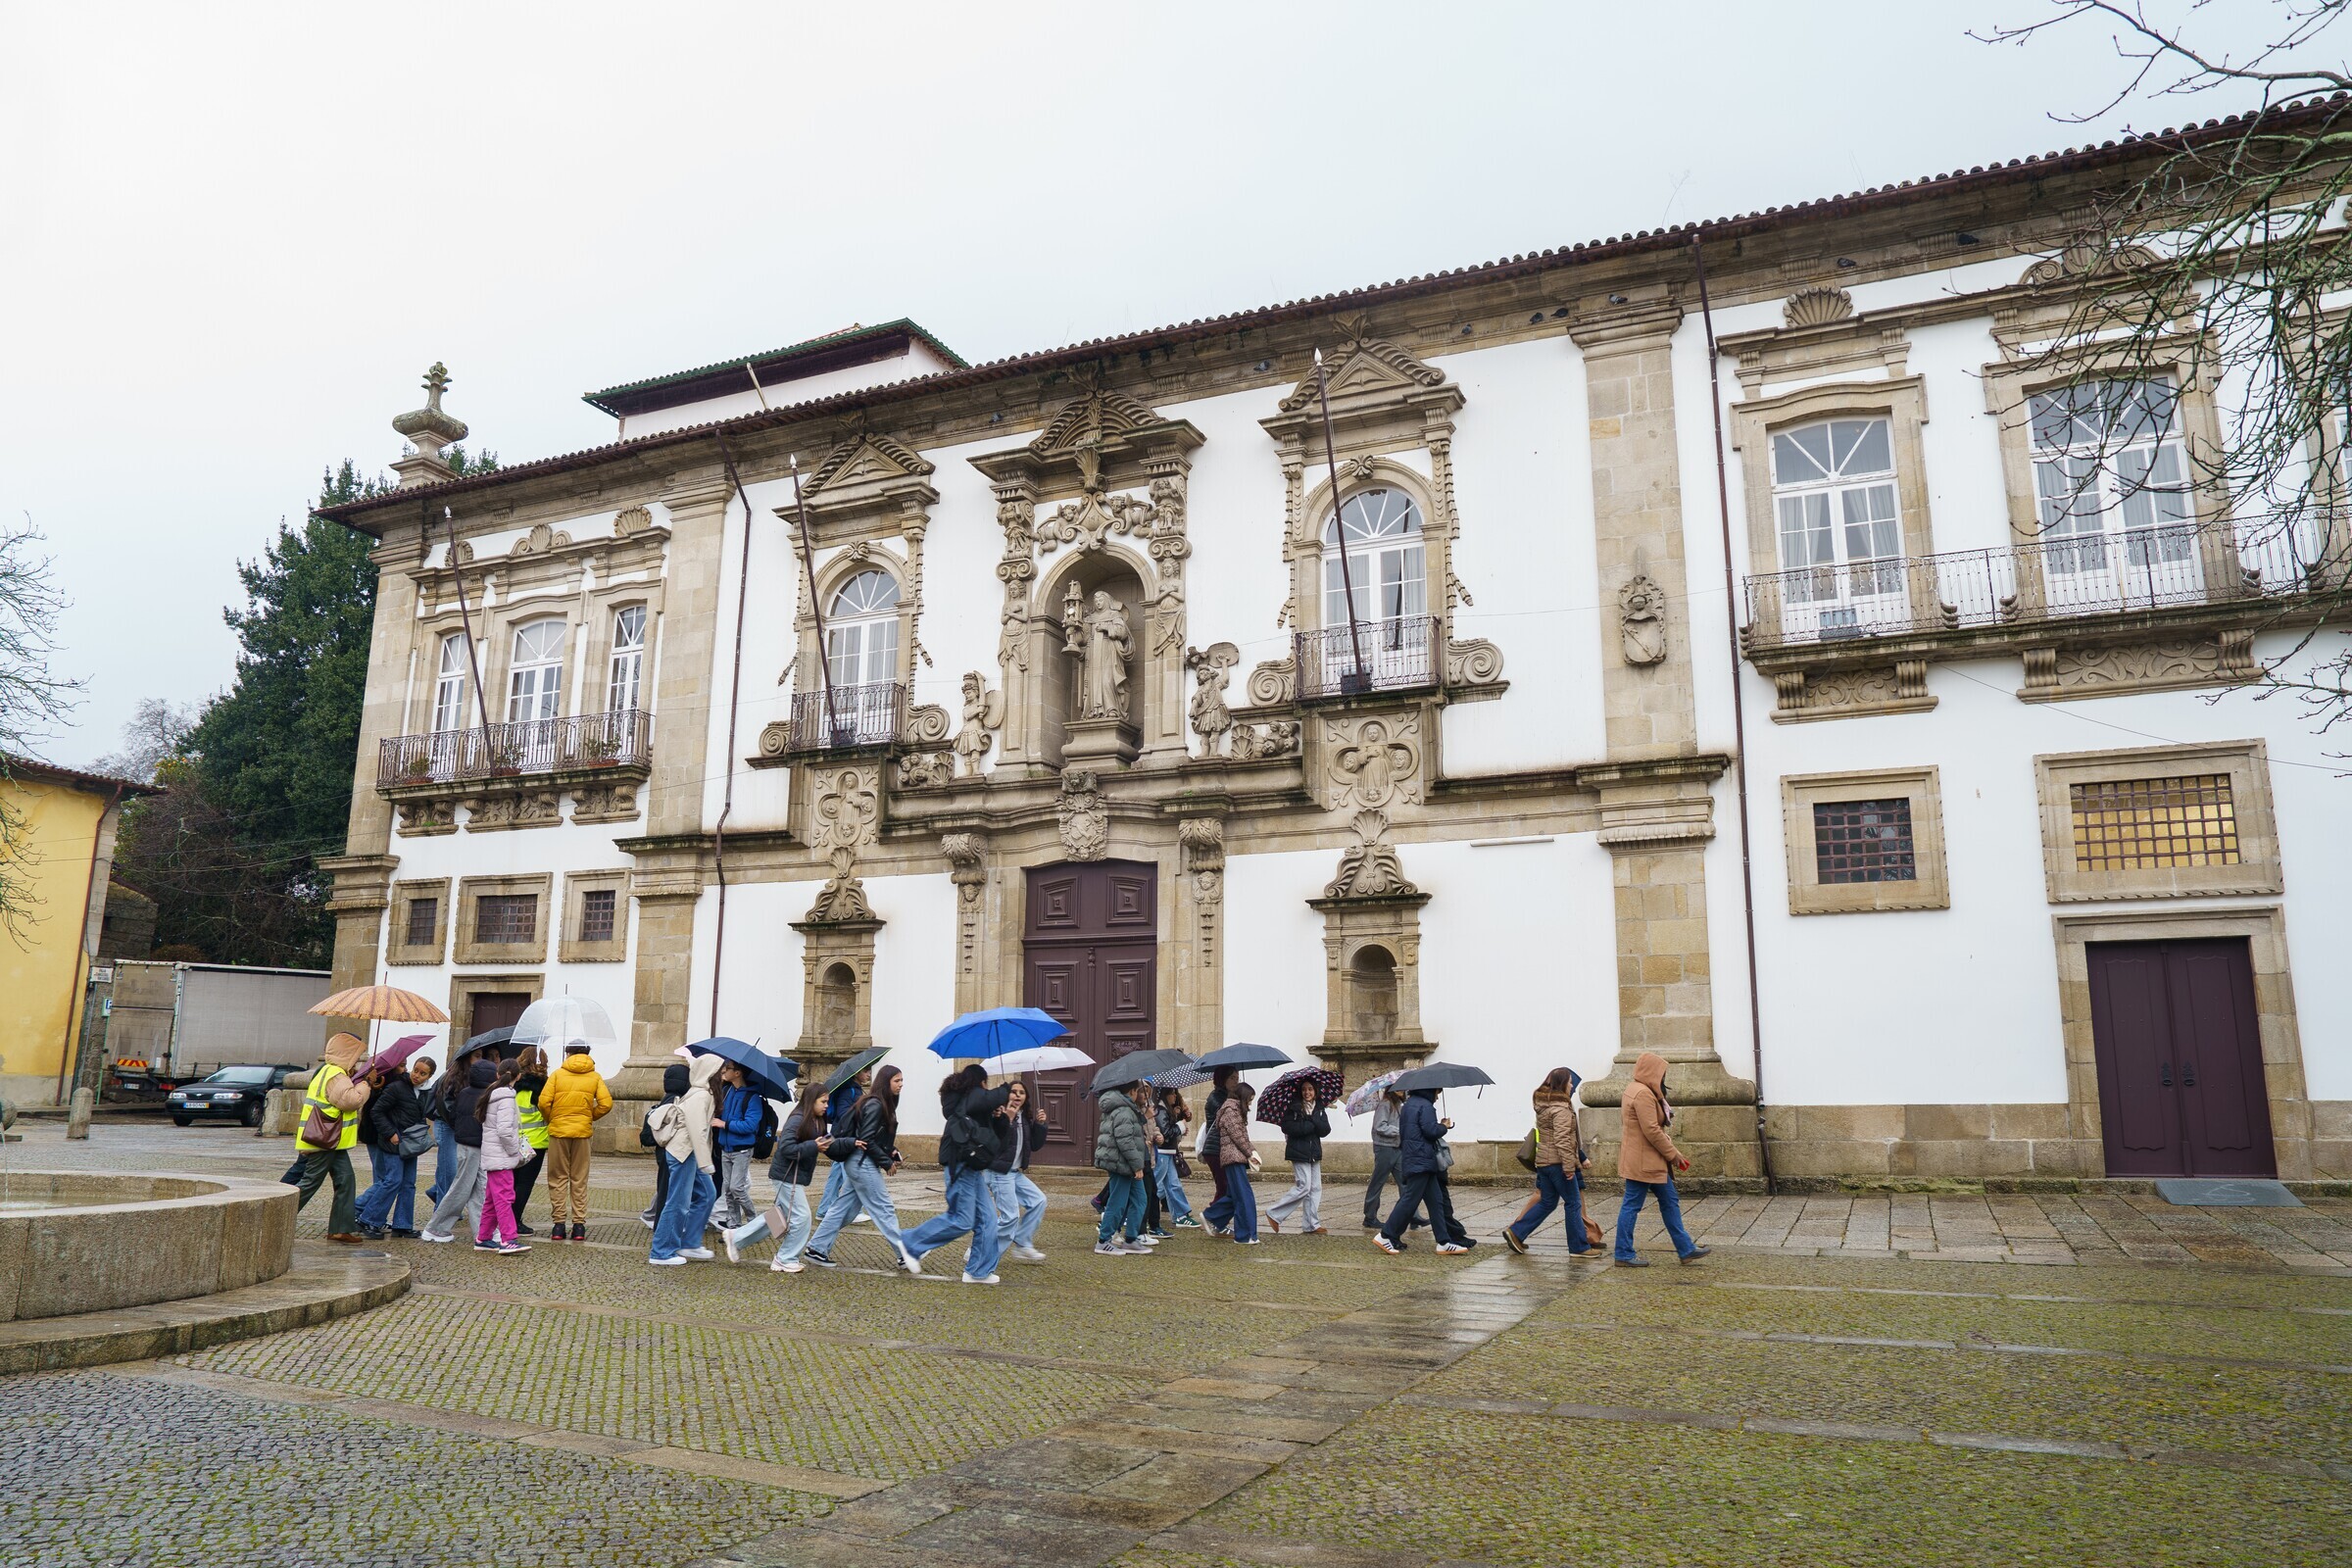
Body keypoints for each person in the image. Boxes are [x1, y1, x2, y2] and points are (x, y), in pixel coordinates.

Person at [805, 1064, 919, 1274]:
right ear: (886, 1083)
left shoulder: (881, 1103)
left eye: (902, 1080)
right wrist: (886, 1162)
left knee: (843, 1209)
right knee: (883, 1208)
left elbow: (876, 1137)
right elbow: (866, 1139)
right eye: (897, 1080)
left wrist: (891, 1151)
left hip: (859, 1161)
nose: (901, 1084)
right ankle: (905, 1254)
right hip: (861, 1162)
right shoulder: (876, 1104)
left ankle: (816, 1248)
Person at [903, 1064, 1011, 1285]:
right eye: (985, 1084)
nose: (986, 1089)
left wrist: (999, 1117)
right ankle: (909, 1242)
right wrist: (1005, 1090)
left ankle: (978, 1271)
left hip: (972, 1168)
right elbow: (982, 1099)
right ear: (979, 1083)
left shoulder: (975, 1104)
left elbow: (995, 1137)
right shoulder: (965, 1099)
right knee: (962, 1220)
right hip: (959, 1166)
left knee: (989, 1220)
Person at [1614, 1052, 1708, 1268]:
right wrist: (1674, 1156)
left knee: (1669, 1201)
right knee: (1631, 1205)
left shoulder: (1636, 1088)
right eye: (1661, 1073)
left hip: (1649, 1160)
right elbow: (1652, 1130)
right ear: (1652, 1072)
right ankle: (1623, 1253)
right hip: (1643, 1162)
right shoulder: (1643, 1094)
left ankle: (1685, 1249)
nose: (1663, 1077)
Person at [721, 1082, 826, 1272]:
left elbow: (822, 1144)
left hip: (791, 1176)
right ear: (811, 1101)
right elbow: (786, 1148)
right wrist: (814, 1146)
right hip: (785, 1176)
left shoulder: (816, 1120)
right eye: (823, 1101)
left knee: (777, 1218)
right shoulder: (797, 1120)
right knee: (802, 1217)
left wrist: (849, 1143)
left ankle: (735, 1237)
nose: (826, 1105)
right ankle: (785, 1258)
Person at [291, 1033, 373, 1243]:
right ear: (347, 1054)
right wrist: (365, 1084)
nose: (358, 1059)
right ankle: (276, 1218)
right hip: (324, 1140)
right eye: (357, 1054)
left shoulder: (331, 1071)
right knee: (310, 1182)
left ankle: (340, 1228)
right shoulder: (335, 1073)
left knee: (346, 1180)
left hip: (332, 1141)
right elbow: (350, 1101)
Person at [1375, 1087, 1474, 1256]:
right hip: (1421, 1159)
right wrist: (1443, 1126)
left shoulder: (1409, 1104)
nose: (1437, 1097)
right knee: (1409, 1200)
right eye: (1437, 1092)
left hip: (1418, 1158)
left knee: (1436, 1201)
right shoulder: (1425, 1106)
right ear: (1430, 1090)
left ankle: (1443, 1242)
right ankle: (1385, 1235)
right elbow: (1430, 1131)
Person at [1504, 1067, 1592, 1256]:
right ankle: (1579, 1247)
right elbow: (1562, 1140)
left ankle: (1516, 1232)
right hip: (1558, 1164)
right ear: (1562, 1084)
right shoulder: (1560, 1109)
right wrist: (1569, 1167)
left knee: (1548, 1202)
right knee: (1573, 1203)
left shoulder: (1544, 1105)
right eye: (1569, 1082)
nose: (1571, 1085)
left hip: (1544, 1163)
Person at [650, 1053, 722, 1265]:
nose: (724, 1073)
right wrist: (706, 1162)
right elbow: (697, 1131)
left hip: (688, 1152)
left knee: (708, 1194)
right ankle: (661, 1252)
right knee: (678, 1202)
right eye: (721, 1070)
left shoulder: (703, 1093)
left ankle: (689, 1243)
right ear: (712, 1073)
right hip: (683, 1152)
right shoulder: (701, 1096)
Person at [539, 1042, 612, 1242]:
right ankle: (579, 1226)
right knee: (579, 1178)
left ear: (568, 1054)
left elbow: (543, 1102)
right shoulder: (595, 1076)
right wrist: (588, 1117)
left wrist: (553, 1117)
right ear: (588, 1053)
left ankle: (558, 1225)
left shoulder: (557, 1075)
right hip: (582, 1132)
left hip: (559, 1132)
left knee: (557, 1178)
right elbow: (606, 1104)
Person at [418, 1055, 496, 1244]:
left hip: (470, 1144)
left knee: (480, 1188)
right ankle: (436, 1228)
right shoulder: (479, 1095)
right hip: (472, 1146)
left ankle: (483, 1232)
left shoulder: (467, 1092)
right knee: (461, 1188)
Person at [357, 1054, 432, 1239]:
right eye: (416, 1070)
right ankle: (368, 1220)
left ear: (428, 1077)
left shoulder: (425, 1092)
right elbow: (377, 1111)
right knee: (392, 1181)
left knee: (408, 1184)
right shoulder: (397, 1087)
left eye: (423, 1074)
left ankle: (402, 1224)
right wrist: (391, 1133)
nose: (417, 1075)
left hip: (410, 1144)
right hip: (392, 1143)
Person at [986, 1078, 1052, 1262]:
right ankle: (984, 1251)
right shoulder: (998, 1113)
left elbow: (1035, 1146)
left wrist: (1040, 1125)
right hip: (1000, 1172)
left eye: (1021, 1093)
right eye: (1014, 1092)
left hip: (1015, 1173)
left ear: (1026, 1097)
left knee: (1038, 1201)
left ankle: (1022, 1242)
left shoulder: (1024, 1116)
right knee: (1010, 1217)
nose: (1017, 1095)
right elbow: (996, 1143)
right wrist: (1006, 1118)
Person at [476, 1057, 530, 1254]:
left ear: (498, 1074)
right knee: (505, 1198)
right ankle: (508, 1239)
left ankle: (483, 1237)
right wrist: (514, 1151)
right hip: (501, 1157)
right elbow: (505, 1131)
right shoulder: (507, 1097)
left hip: (492, 1155)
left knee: (491, 1199)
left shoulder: (492, 1093)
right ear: (518, 1076)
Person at [1264, 1081, 1330, 1235]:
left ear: (1315, 1091)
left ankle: (1311, 1224)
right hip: (1298, 1151)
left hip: (1314, 1152)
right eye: (1304, 1089)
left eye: (1310, 1089)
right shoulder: (1293, 1108)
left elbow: (1325, 1130)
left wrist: (1313, 1121)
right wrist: (1309, 1125)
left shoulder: (1319, 1108)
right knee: (1304, 1186)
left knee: (1315, 1188)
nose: (1307, 1092)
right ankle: (1274, 1213)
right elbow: (1287, 1127)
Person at [811, 1066, 870, 1232]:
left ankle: (823, 1209)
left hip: (838, 1134)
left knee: (836, 1174)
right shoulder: (850, 1090)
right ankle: (853, 1211)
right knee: (849, 1174)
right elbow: (844, 1113)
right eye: (865, 1071)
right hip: (844, 1136)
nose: (868, 1074)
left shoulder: (853, 1089)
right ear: (856, 1073)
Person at [712, 1063, 766, 1230]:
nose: (724, 1071)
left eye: (727, 1068)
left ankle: (754, 1221)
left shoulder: (753, 1098)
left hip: (742, 1150)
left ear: (737, 1073)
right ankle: (734, 1226)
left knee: (737, 1188)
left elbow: (750, 1126)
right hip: (725, 1148)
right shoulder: (727, 1091)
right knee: (727, 1190)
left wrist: (724, 1124)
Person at [640, 1060, 690, 1228]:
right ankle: (663, 1226)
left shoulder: (666, 1099)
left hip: (662, 1151)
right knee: (668, 1191)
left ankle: (662, 1224)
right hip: (671, 1150)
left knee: (664, 1189)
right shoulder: (677, 1101)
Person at [1212, 1081, 1263, 1245]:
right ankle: (1244, 1235)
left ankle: (1212, 1216)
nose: (1249, 1104)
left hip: (1236, 1157)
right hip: (1233, 1157)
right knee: (1244, 1197)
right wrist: (1250, 1154)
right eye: (1249, 1100)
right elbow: (1238, 1137)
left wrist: (1252, 1151)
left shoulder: (1234, 1110)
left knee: (1237, 1196)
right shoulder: (1231, 1111)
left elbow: (1243, 1137)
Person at [508, 1048, 551, 1235]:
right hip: (535, 1142)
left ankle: (506, 1218)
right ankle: (515, 1221)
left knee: (512, 1181)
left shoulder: (512, 1084)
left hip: (514, 1139)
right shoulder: (544, 1087)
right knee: (525, 1183)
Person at [1198, 1068, 1238, 1233]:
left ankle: (1216, 1221)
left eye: (1237, 1078)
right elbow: (1226, 1119)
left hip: (1222, 1148)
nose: (1236, 1081)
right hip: (1215, 1149)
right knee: (1226, 1187)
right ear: (1223, 1080)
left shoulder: (1227, 1097)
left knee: (1225, 1187)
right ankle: (1211, 1217)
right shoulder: (1217, 1099)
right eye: (1232, 1078)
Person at [1152, 1088, 1199, 1229]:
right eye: (1172, 1093)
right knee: (1153, 1185)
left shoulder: (1166, 1110)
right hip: (1162, 1153)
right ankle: (1129, 1213)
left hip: (1168, 1152)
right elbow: (1166, 1132)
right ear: (1166, 1095)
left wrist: (1180, 1124)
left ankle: (1181, 1215)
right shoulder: (1160, 1110)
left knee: (1173, 1185)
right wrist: (1180, 1127)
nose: (1175, 1096)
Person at [1362, 1088, 1406, 1231]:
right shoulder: (1385, 1104)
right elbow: (1379, 1126)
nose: (1403, 1091)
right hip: (1384, 1147)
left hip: (1396, 1146)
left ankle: (1411, 1214)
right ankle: (1369, 1217)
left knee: (1405, 1182)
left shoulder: (1398, 1104)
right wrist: (1399, 1131)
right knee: (1378, 1181)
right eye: (1399, 1088)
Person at [426, 1056, 461, 1208]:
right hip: (446, 1125)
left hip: (453, 1126)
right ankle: (443, 1210)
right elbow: (445, 1106)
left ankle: (438, 1195)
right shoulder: (449, 1077)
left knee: (448, 1167)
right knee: (449, 1169)